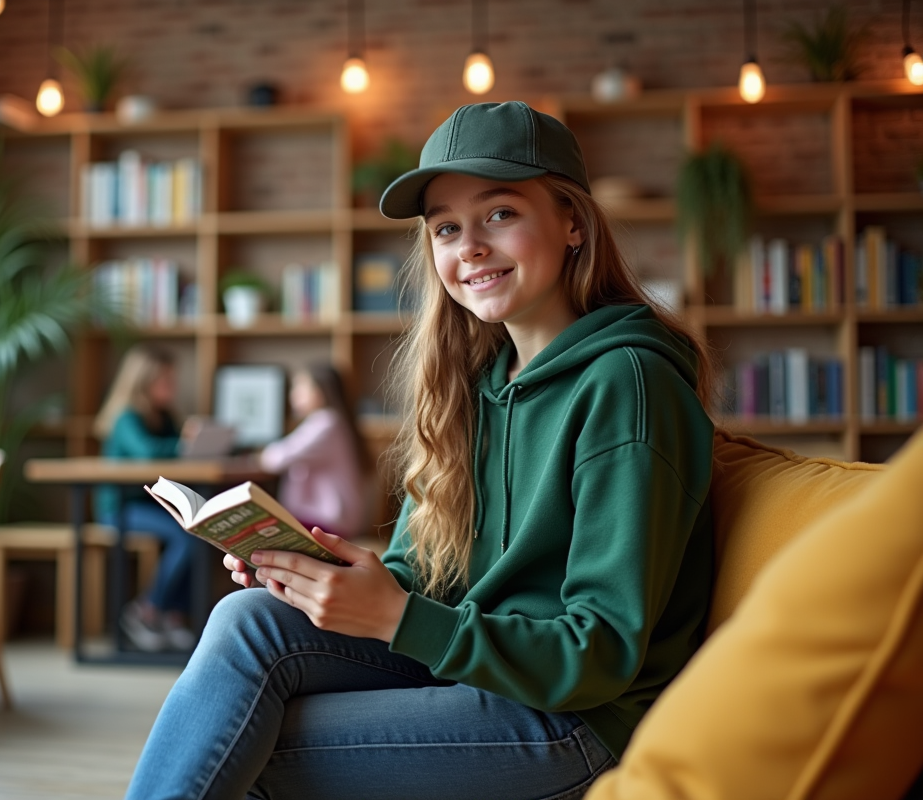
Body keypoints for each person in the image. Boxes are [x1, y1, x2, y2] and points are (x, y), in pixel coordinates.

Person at [124, 101, 718, 800]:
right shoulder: (477, 384)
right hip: (479, 667)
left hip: (576, 718)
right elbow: (420, 571)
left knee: (245, 741)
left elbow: (603, 651)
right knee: (247, 618)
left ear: (573, 223)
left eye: (500, 214)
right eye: (446, 227)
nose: (469, 246)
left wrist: (398, 617)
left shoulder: (628, 383)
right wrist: (318, 577)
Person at [94, 345, 201, 653]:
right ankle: (148, 609)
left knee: (200, 530)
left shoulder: (165, 417)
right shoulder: (125, 418)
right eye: (165, 380)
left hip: (151, 506)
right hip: (119, 511)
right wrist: (185, 444)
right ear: (143, 382)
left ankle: (171, 614)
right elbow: (148, 453)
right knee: (187, 535)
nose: (172, 386)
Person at [257, 364, 368, 540]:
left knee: (260, 531)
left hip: (328, 522)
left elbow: (277, 459)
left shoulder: (326, 422)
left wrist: (262, 454)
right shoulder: (330, 422)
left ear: (321, 391)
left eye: (300, 387)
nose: (293, 394)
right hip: (325, 520)